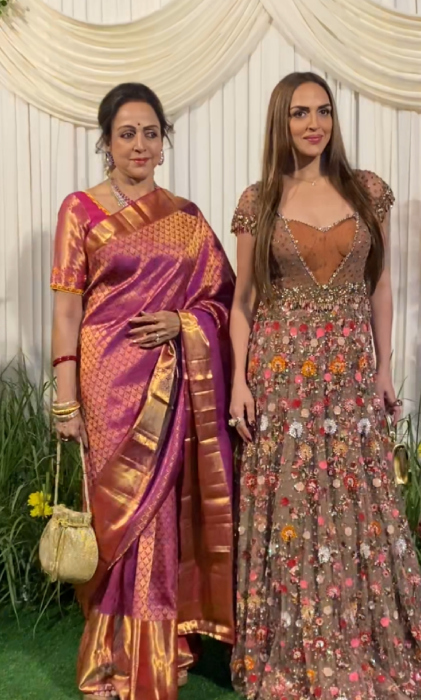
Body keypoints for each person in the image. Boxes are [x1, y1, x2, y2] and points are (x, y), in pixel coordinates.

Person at [229, 71, 421, 700]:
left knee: (359, 504)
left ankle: (365, 642)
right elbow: (242, 303)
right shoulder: (259, 200)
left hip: (351, 378)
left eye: (324, 111)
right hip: (281, 377)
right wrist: (240, 382)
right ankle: (292, 649)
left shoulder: (368, 190)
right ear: (280, 123)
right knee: (291, 508)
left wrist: (385, 366)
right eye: (300, 113)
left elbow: (381, 286)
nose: (314, 124)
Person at [50, 82, 235, 700]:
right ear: (107, 142)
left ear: (164, 141)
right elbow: (67, 311)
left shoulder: (186, 218)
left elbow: (222, 299)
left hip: (169, 378)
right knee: (116, 518)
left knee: (157, 515)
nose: (139, 144)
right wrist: (65, 399)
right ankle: (107, 656)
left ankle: (156, 650)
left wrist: (184, 323)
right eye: (126, 133)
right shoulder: (81, 210)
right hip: (106, 382)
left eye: (150, 133)